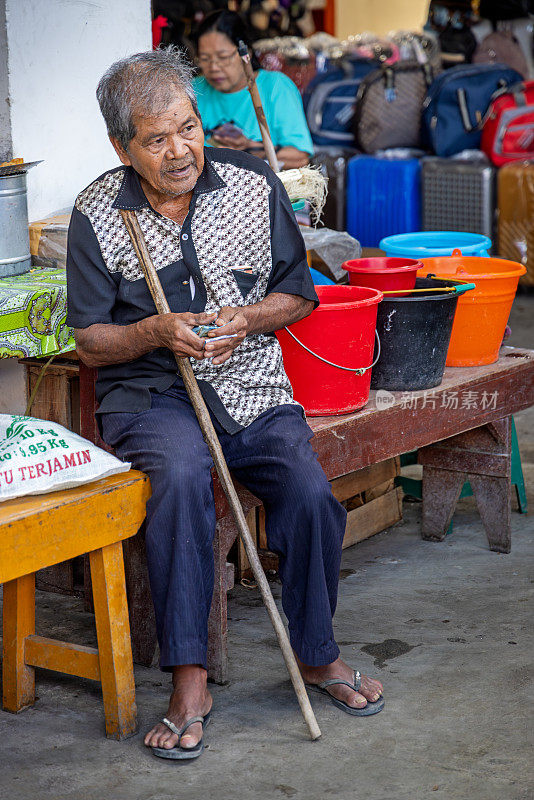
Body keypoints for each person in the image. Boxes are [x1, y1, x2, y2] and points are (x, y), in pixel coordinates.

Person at [66, 47, 384, 762]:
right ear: (122, 146)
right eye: (156, 138)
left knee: (307, 490)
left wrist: (248, 318)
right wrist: (153, 331)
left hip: (249, 384)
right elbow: (88, 339)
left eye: (187, 127)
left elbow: (298, 292)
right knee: (179, 481)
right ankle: (189, 678)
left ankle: (317, 651)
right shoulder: (98, 211)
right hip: (150, 393)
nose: (179, 150)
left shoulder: (252, 183)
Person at [193, 10, 313, 169]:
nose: (214, 67)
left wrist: (249, 147)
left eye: (223, 57)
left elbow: (300, 157)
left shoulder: (275, 87)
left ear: (246, 53)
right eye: (205, 59)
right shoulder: (192, 90)